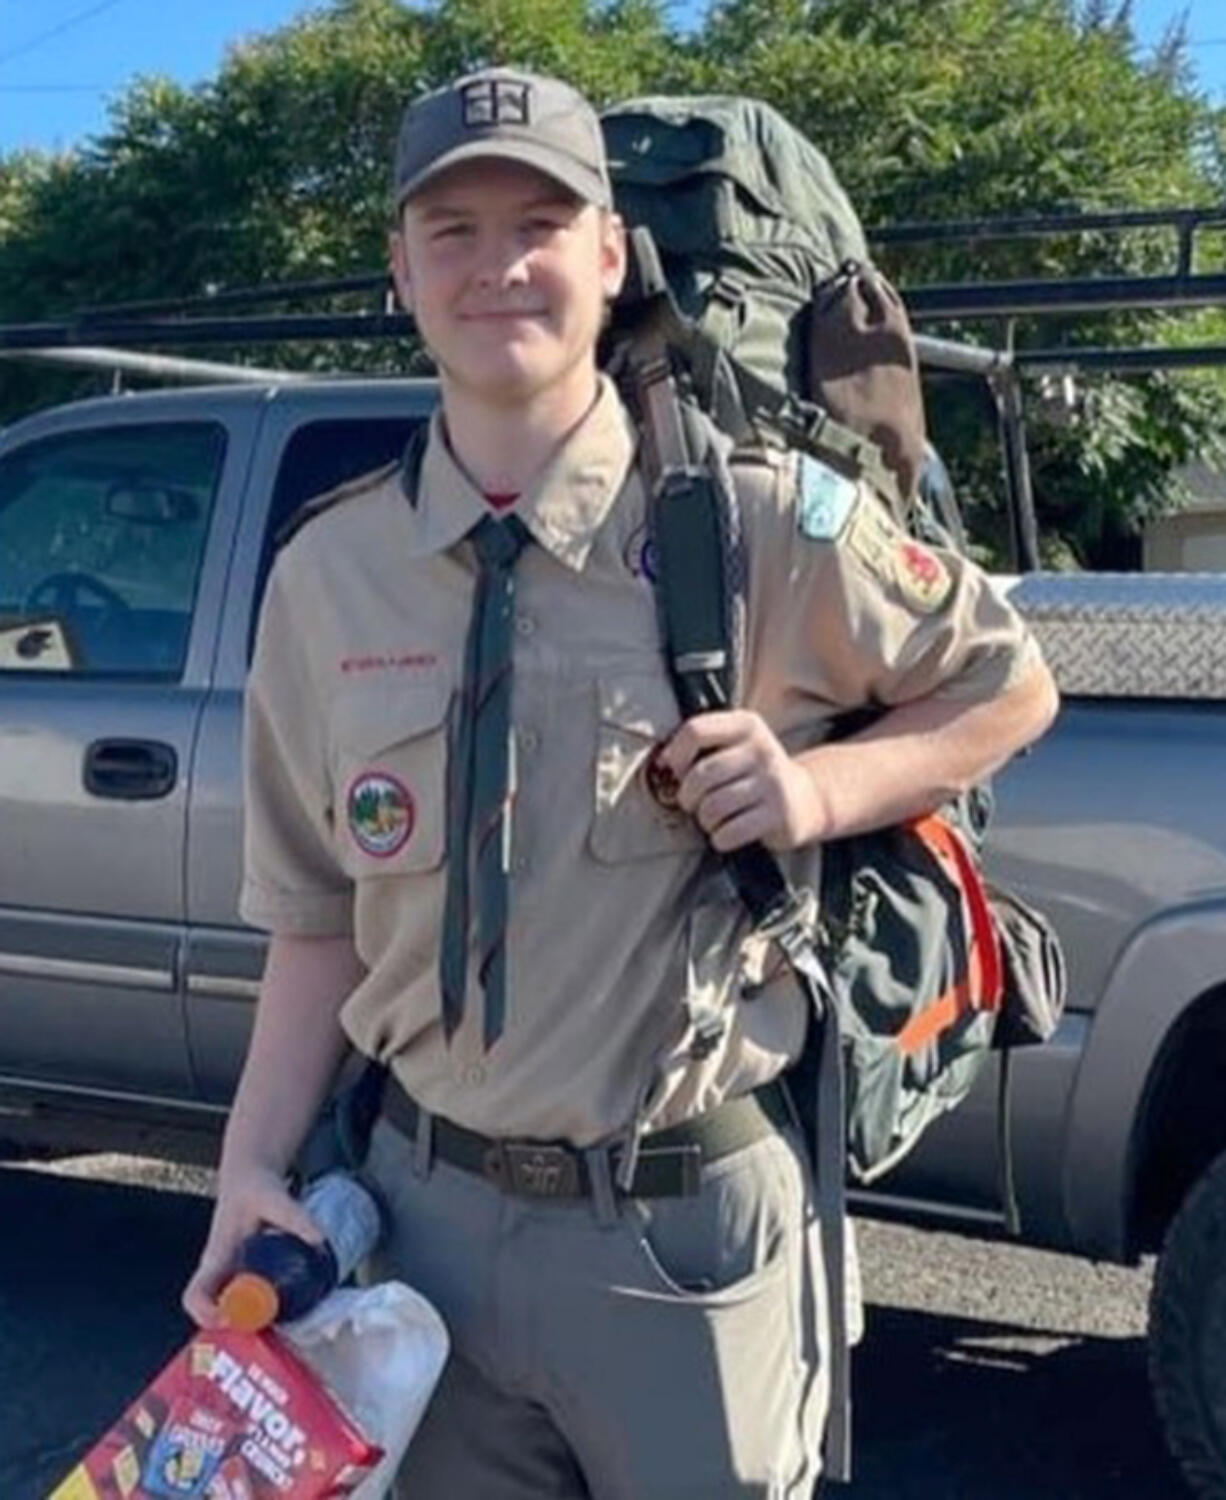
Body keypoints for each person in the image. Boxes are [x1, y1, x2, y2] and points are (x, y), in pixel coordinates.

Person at [183, 66, 1059, 1498]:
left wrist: (820, 793)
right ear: (400, 270)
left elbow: (1007, 681)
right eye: (450, 230)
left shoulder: (759, 521)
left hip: (684, 1231)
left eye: (538, 220)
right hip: (420, 1233)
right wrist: (247, 1172)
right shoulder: (326, 577)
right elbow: (315, 920)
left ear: (608, 255)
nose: (496, 264)